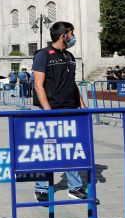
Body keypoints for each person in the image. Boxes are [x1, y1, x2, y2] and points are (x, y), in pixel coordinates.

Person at [32, 21, 90, 202]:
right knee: (47, 150)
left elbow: (71, 83)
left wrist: (82, 105)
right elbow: (38, 85)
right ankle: (41, 188)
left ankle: (75, 188)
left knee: (70, 149)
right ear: (63, 35)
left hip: (70, 109)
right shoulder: (43, 55)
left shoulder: (70, 56)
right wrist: (48, 111)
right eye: (71, 33)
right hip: (52, 110)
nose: (73, 37)